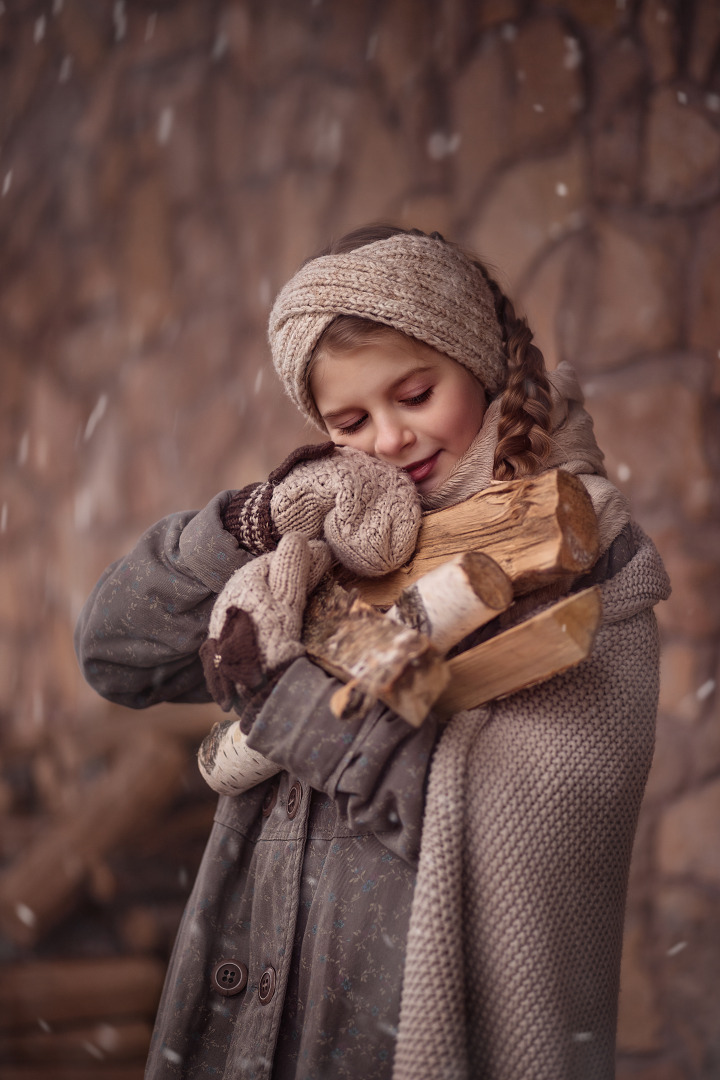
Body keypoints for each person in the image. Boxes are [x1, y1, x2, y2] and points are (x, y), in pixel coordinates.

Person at [75, 225, 670, 1080]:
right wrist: (254, 520)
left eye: (416, 394)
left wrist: (292, 712)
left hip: (391, 1022)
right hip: (262, 1010)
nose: (390, 439)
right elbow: (113, 656)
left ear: (485, 368)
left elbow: (527, 814)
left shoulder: (581, 547)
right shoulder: (320, 552)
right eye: (350, 420)